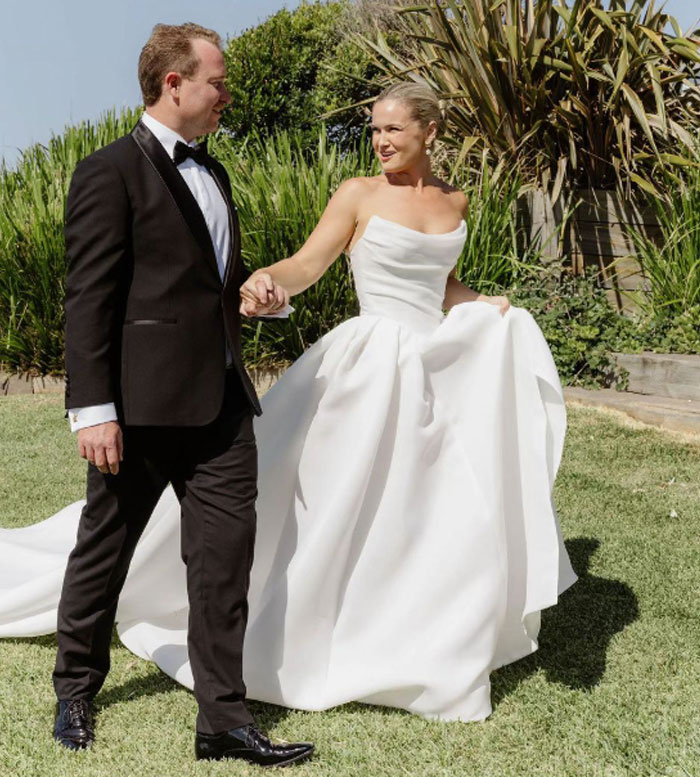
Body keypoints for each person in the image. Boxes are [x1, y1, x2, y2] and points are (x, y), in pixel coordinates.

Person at [0, 80, 576, 731]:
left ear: (430, 133)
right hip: (367, 369)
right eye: (375, 129)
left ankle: (412, 628)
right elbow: (309, 262)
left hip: (431, 371)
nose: (382, 140)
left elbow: (439, 283)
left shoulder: (455, 201)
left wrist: (482, 305)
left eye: (394, 130)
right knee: (318, 503)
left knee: (424, 510)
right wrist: (268, 281)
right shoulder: (358, 194)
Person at [11, 22, 312, 768]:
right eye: (217, 80)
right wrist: (94, 409)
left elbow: (205, 284)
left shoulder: (217, 173)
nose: (225, 95)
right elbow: (88, 299)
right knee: (103, 552)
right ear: (173, 83)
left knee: (222, 564)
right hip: (135, 412)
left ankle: (223, 721)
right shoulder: (107, 171)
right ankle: (75, 689)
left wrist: (256, 297)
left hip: (221, 407)